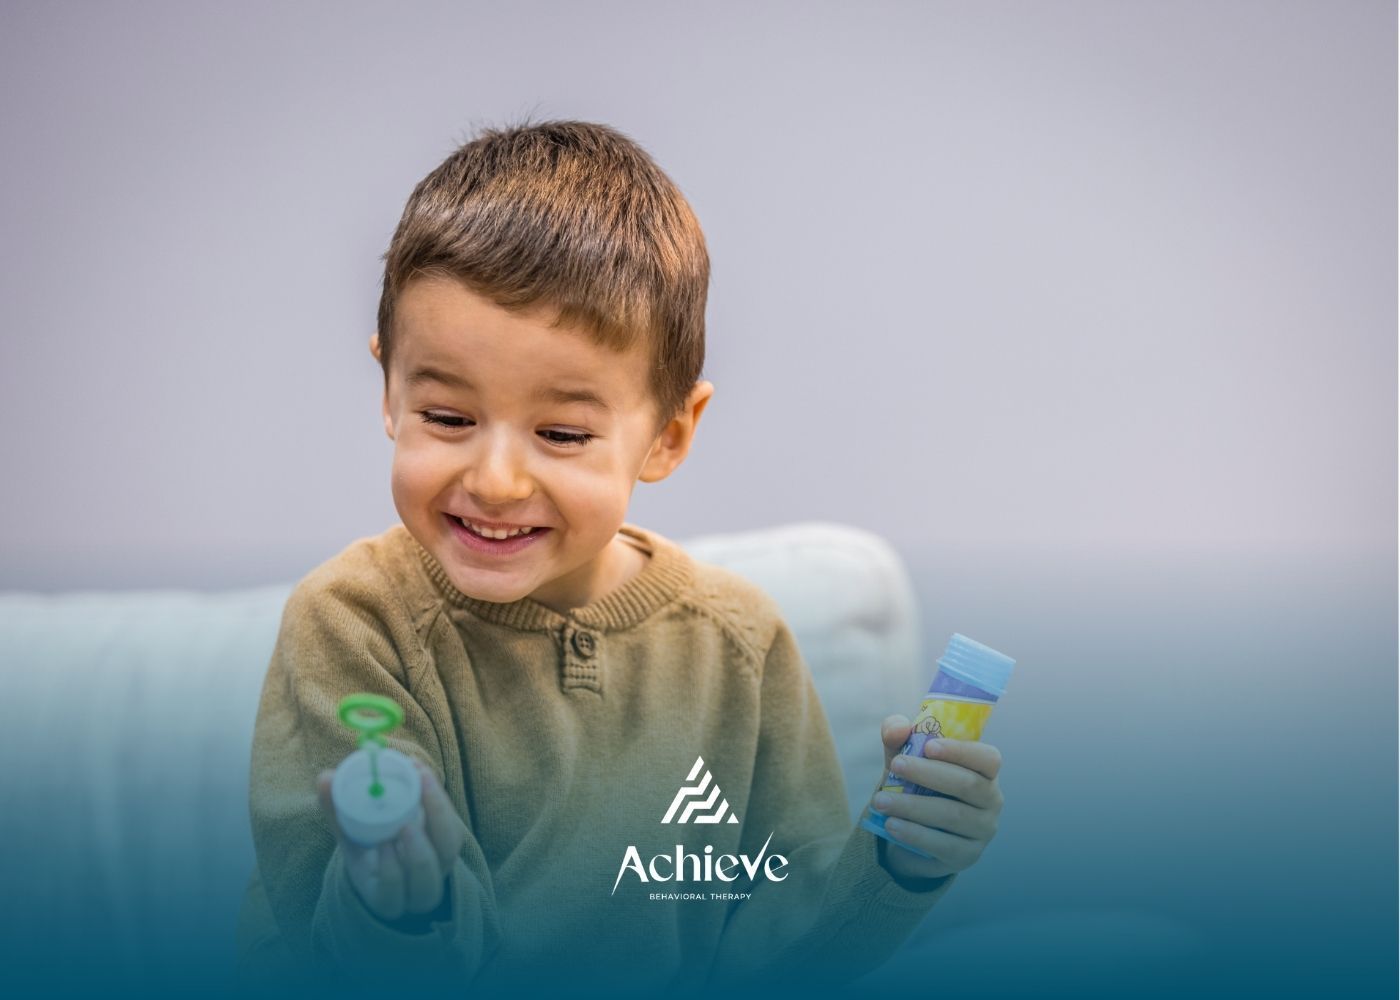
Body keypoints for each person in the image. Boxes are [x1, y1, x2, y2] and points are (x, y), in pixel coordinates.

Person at [234, 119, 1004, 998]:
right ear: (389, 390)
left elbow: (780, 950)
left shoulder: (739, 646)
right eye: (447, 418)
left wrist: (898, 867)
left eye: (561, 434)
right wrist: (404, 907)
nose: (494, 481)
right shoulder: (352, 622)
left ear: (669, 434)